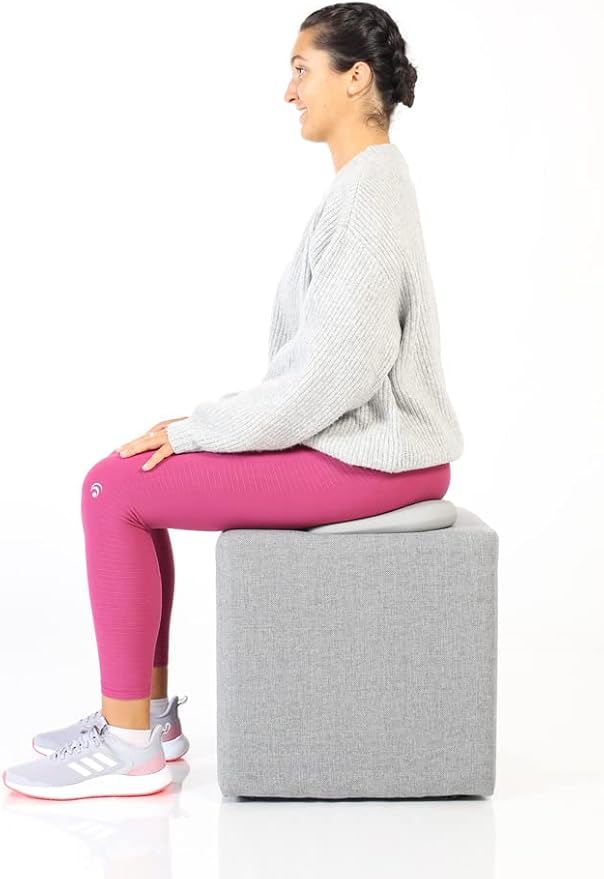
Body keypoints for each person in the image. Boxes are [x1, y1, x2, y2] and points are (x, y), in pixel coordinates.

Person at [3, 2, 463, 800]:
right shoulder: (367, 187)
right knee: (128, 478)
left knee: (112, 488)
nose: (289, 91)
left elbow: (336, 375)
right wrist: (204, 425)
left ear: (356, 79)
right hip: (368, 446)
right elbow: (320, 368)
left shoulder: (371, 192)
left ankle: (129, 745)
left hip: (376, 456)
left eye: (302, 70)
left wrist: (200, 430)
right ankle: (144, 720)